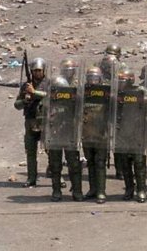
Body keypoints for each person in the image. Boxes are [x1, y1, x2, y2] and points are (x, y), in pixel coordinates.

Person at [46, 59, 83, 201]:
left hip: (69, 132)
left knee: (74, 163)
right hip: (54, 133)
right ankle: (56, 190)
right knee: (55, 165)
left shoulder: (75, 92)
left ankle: (77, 191)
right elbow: (42, 113)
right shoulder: (49, 101)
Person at [13, 57, 50, 187]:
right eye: (34, 71)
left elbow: (51, 96)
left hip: (46, 121)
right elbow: (17, 105)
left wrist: (35, 93)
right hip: (30, 120)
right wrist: (25, 100)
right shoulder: (26, 85)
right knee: (30, 151)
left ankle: (56, 176)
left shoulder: (49, 83)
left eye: (39, 70)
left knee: (51, 151)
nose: (37, 73)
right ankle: (31, 178)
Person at [114, 69, 147, 202]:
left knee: (139, 164)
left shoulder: (139, 92)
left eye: (123, 81)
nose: (120, 84)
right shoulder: (116, 95)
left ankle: (141, 190)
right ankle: (129, 189)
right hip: (122, 133)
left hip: (137, 133)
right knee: (125, 164)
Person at [82, 66, 112, 203]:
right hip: (87, 131)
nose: (92, 80)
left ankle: (101, 191)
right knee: (90, 162)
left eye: (95, 78)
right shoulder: (83, 91)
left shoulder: (106, 91)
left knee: (100, 163)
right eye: (90, 78)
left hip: (101, 133)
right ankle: (92, 189)